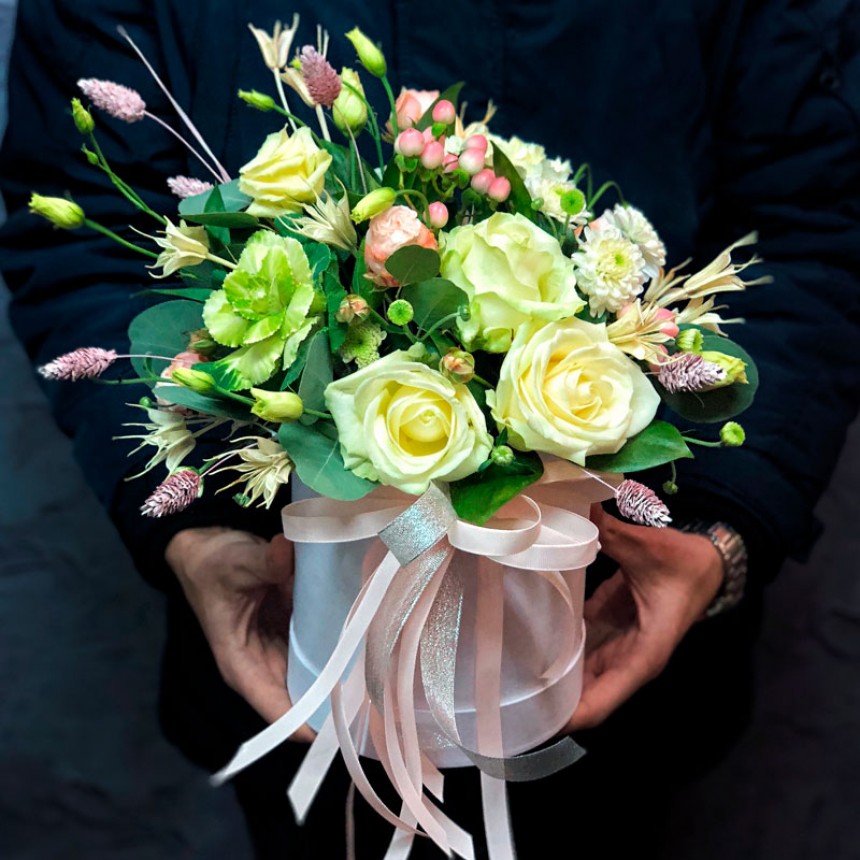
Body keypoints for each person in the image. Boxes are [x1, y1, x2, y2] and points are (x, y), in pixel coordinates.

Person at [1, 0, 858, 856]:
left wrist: (720, 531)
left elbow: (819, 226)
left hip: (621, 677)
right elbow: (80, 235)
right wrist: (193, 531)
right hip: (291, 660)